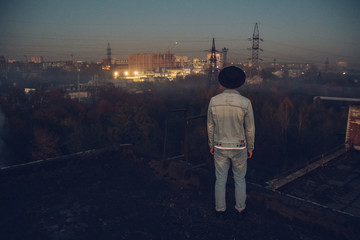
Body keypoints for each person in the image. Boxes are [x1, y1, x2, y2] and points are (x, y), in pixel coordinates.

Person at [207, 66, 255, 218]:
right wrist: (250, 147)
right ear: (239, 82)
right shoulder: (245, 102)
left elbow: (210, 125)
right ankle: (240, 208)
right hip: (239, 146)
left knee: (220, 179)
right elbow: (250, 128)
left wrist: (211, 144)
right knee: (240, 178)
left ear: (223, 82)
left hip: (219, 145)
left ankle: (220, 209)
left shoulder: (214, 101)